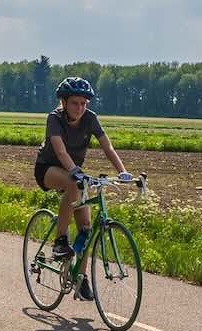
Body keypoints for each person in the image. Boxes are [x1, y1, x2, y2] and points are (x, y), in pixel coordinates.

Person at [33, 76, 133, 300]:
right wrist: (75, 171)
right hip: (48, 168)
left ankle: (81, 278)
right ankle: (60, 241)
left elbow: (107, 146)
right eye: (75, 103)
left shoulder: (90, 118)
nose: (80, 108)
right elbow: (60, 152)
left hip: (75, 172)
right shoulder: (54, 118)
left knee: (86, 229)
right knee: (73, 183)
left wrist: (122, 171)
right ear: (64, 102)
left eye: (84, 103)